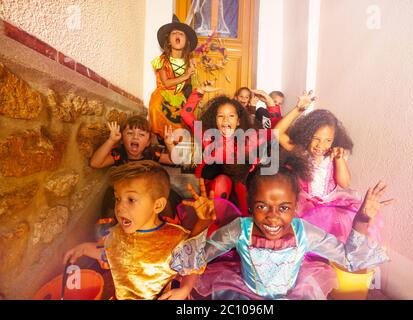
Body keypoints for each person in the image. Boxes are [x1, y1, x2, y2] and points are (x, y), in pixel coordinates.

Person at [170, 160, 393, 300]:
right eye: (262, 206)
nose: (273, 216)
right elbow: (196, 258)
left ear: (296, 206)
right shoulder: (239, 229)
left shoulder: (304, 232)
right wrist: (201, 223)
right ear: (249, 205)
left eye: (284, 207)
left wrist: (361, 220)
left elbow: (349, 258)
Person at [63, 161, 214, 300]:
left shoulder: (174, 238)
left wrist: (185, 289)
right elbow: (111, 255)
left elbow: (192, 263)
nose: (120, 207)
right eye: (117, 199)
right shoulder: (117, 232)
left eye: (131, 199)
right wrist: (83, 249)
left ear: (157, 206)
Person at [274, 91, 380, 242]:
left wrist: (339, 159)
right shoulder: (301, 152)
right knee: (301, 238)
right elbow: (277, 133)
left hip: (331, 205)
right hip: (303, 204)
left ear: (334, 140)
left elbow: (344, 183)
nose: (320, 145)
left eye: (327, 140)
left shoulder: (333, 156)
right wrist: (298, 109)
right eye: (315, 139)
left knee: (332, 236)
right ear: (306, 135)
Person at [181, 86, 280, 216]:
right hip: (215, 190)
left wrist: (270, 103)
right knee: (223, 181)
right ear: (215, 120)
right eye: (220, 116)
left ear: (238, 121)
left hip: (240, 188)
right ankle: (216, 221)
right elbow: (186, 114)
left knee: (241, 185)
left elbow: (275, 131)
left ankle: (244, 221)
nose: (226, 120)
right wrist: (199, 92)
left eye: (231, 116)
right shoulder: (208, 136)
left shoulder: (249, 139)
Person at [89, 115, 180, 221]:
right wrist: (111, 141)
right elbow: (95, 163)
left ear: (148, 142)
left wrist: (169, 144)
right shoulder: (119, 154)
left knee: (165, 197)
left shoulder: (152, 153)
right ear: (122, 139)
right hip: (125, 193)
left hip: (148, 192)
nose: (135, 137)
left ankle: (167, 225)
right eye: (130, 133)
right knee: (111, 196)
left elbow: (175, 160)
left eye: (141, 134)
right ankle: (108, 229)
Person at [148, 15, 198, 143]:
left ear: (186, 41)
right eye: (174, 33)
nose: (177, 35)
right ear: (169, 41)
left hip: (179, 96)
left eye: (181, 34)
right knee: (155, 108)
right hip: (163, 94)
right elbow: (165, 82)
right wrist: (186, 75)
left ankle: (178, 143)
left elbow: (193, 86)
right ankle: (155, 140)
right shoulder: (162, 60)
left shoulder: (189, 62)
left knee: (185, 118)